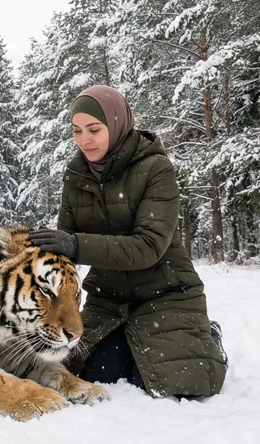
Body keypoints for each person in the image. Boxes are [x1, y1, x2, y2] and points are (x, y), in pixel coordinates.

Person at [29, 85, 227, 398]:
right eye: (77, 131)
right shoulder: (76, 174)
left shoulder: (155, 168)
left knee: (182, 382)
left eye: (94, 129)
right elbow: (63, 247)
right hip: (109, 297)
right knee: (89, 371)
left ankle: (209, 336)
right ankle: (128, 338)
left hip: (166, 292)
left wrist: (75, 244)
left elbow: (148, 246)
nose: (84, 140)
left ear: (117, 123)